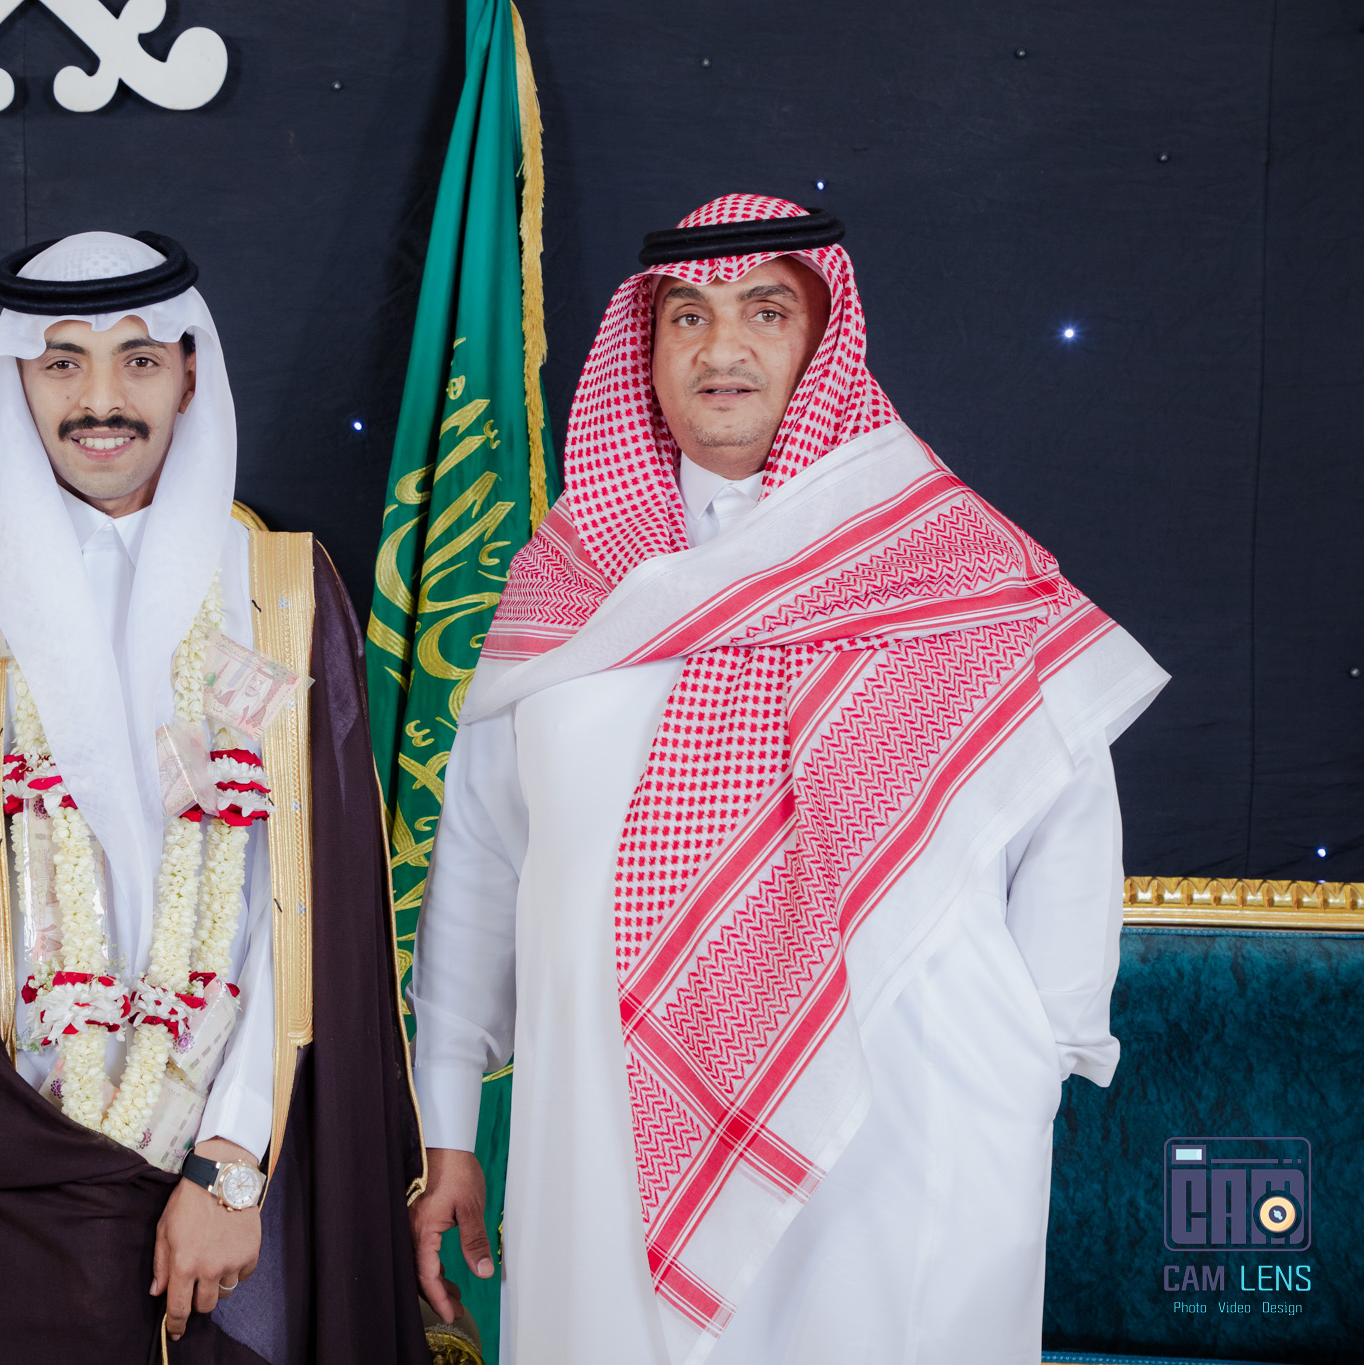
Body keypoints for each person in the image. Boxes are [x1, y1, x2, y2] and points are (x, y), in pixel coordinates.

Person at [407, 194, 1168, 1363]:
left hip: (898, 1125)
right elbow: (479, 862)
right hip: (606, 1124)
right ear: (644, 350)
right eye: (686, 317)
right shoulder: (563, 589)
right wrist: (449, 1124)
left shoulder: (946, 564)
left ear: (823, 343)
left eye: (764, 311)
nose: (721, 349)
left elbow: (1064, 814)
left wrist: (1036, 1065)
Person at [0, 231, 427, 1365]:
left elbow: (306, 911)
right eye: (63, 363)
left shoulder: (279, 589)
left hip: (224, 1148)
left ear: (189, 375)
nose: (101, 400)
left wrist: (231, 1159)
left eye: (138, 360)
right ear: (17, 380)